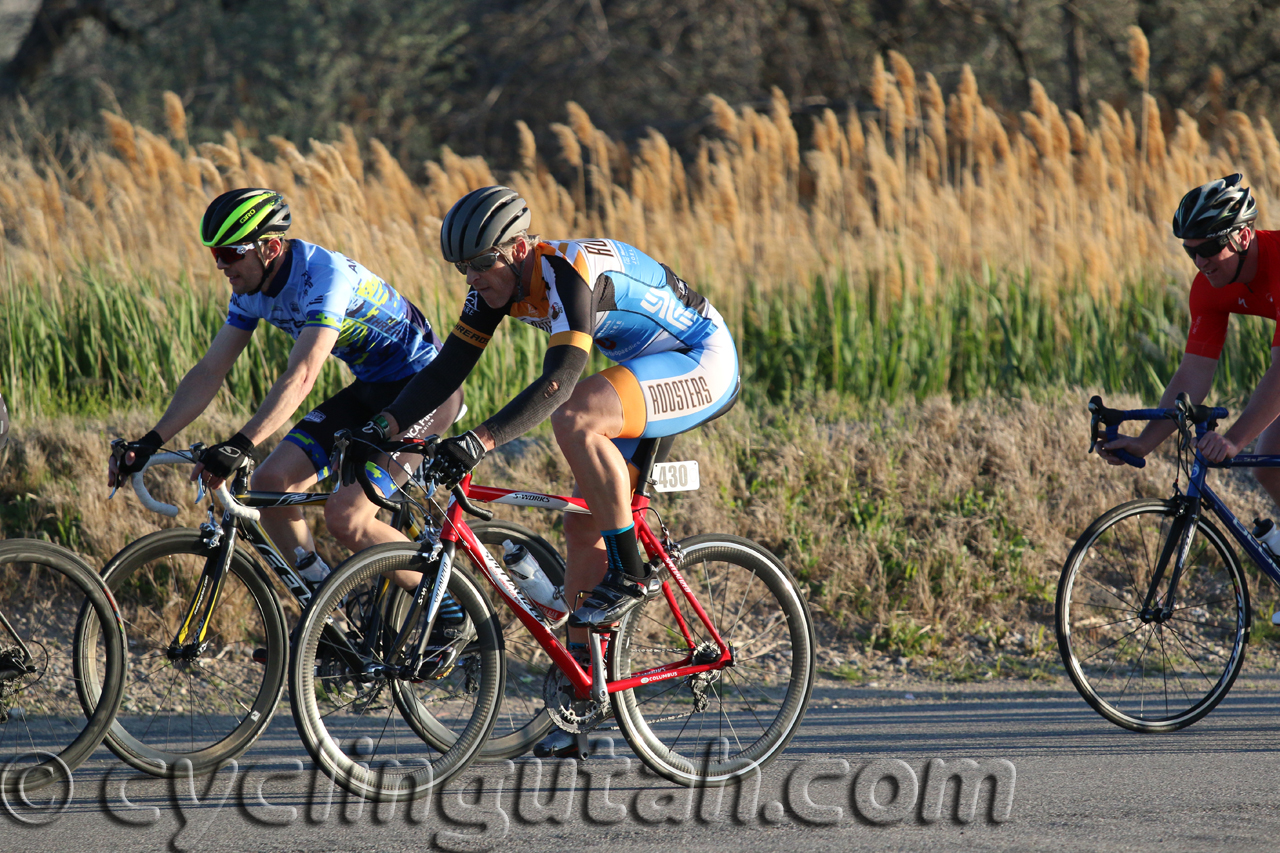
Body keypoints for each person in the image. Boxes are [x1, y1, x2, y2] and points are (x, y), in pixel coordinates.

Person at [363, 185, 740, 757]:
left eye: (480, 264)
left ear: (517, 250)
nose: (471, 278)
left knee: (577, 417)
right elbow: (446, 371)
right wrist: (383, 426)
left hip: (701, 359)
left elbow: (561, 379)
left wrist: (480, 440)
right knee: (582, 528)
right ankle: (582, 708)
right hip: (646, 367)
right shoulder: (494, 289)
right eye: (461, 267)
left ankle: (631, 574)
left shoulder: (568, 272)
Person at [108, 188, 463, 594]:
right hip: (372, 388)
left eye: (229, 253)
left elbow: (303, 374)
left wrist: (242, 442)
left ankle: (451, 620)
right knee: (269, 483)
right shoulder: (251, 290)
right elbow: (209, 371)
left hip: (427, 391)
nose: (222, 266)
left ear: (270, 247)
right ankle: (328, 619)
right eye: (214, 255)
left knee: (347, 518)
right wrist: (152, 441)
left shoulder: (325, 277)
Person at [1098, 174, 1280, 497]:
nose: (1200, 262)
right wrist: (1143, 443)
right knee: (1268, 469)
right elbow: (1192, 375)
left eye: (1209, 248)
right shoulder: (1208, 287)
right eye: (1190, 251)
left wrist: (1233, 440)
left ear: (1243, 236)